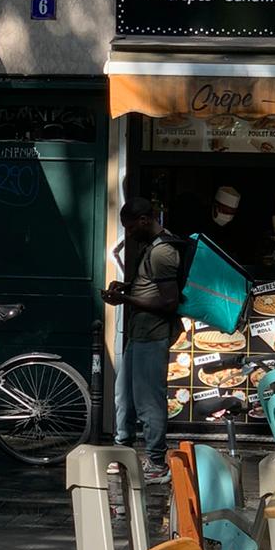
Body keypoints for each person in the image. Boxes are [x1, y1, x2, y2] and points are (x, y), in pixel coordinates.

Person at [102, 197, 181, 484]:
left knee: (149, 401)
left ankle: (157, 463)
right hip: (139, 334)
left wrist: (125, 299)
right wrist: (126, 288)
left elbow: (169, 302)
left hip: (154, 335)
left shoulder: (163, 252)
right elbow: (150, 287)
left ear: (145, 220)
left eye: (131, 227)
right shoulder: (152, 248)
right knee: (124, 397)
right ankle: (123, 453)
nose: (129, 233)